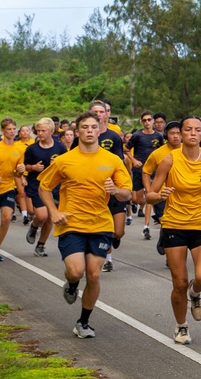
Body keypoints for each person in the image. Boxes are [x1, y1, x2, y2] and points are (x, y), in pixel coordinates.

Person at [38, 111, 133, 338]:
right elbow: (44, 187)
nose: (90, 131)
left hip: (101, 224)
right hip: (71, 224)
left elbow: (127, 193)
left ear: (100, 130)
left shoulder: (112, 160)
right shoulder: (64, 161)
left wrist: (116, 191)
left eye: (94, 127)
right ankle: (71, 284)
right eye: (85, 127)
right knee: (75, 271)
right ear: (77, 131)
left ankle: (83, 322)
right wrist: (53, 211)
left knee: (94, 275)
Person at [145, 117, 201, 345]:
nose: (192, 133)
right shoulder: (169, 161)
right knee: (179, 282)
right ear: (180, 134)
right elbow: (150, 194)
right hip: (174, 225)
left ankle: (196, 294)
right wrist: (159, 195)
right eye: (188, 129)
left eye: (197, 130)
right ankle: (181, 326)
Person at [88, 100, 128, 272]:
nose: (98, 115)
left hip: (114, 188)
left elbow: (120, 161)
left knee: (118, 232)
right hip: (95, 191)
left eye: (101, 112)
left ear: (106, 114)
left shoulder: (113, 137)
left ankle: (114, 238)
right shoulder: (83, 138)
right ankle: (108, 259)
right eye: (94, 111)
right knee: (105, 227)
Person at [23, 118, 68, 257]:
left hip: (55, 187)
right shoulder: (32, 149)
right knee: (42, 215)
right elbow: (24, 167)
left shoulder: (60, 147)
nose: (40, 133)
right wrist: (33, 167)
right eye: (38, 131)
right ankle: (34, 225)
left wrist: (59, 163)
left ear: (51, 131)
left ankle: (40, 245)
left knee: (50, 218)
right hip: (37, 186)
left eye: (43, 131)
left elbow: (67, 167)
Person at [143, 121, 183, 254]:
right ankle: (165, 239)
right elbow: (146, 171)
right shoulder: (158, 153)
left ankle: (167, 242)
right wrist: (149, 191)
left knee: (176, 223)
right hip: (161, 193)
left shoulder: (188, 150)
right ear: (166, 135)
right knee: (165, 221)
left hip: (180, 194)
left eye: (178, 133)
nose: (176, 136)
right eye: (172, 133)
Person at [126, 111, 164, 241]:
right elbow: (126, 148)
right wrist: (134, 160)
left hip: (153, 171)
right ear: (142, 122)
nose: (147, 122)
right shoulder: (137, 135)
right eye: (144, 120)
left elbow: (163, 151)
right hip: (139, 170)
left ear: (153, 121)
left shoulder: (159, 136)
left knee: (149, 197)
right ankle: (135, 203)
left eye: (149, 120)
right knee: (137, 199)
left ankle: (146, 227)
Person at [0, 117, 25, 261]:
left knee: (6, 218)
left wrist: (21, 170)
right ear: (2, 131)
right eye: (9, 129)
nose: (12, 132)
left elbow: (17, 173)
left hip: (8, 187)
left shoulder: (19, 149)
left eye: (14, 129)